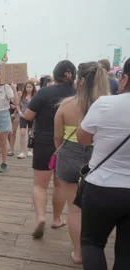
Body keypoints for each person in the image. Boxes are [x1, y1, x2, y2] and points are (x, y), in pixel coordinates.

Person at [76, 58, 130, 270]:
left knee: (92, 243)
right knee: (126, 252)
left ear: (124, 79)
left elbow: (83, 139)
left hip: (101, 186)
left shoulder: (105, 103)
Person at [54, 61, 110, 264]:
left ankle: (78, 253)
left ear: (78, 81)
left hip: (69, 155)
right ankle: (96, 249)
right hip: (100, 158)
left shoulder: (66, 105)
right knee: (96, 208)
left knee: (75, 208)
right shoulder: (108, 105)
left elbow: (57, 138)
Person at [22, 60, 76, 239]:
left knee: (40, 185)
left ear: (55, 75)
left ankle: (40, 218)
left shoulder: (45, 92)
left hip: (44, 142)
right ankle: (57, 219)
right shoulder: (79, 94)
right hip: (68, 144)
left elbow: (29, 115)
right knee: (59, 184)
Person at [16, 81, 36, 158]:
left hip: (32, 116)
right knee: (22, 132)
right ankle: (22, 151)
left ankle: (30, 150)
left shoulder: (35, 96)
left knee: (31, 133)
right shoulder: (22, 95)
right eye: (27, 87)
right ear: (25, 88)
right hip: (23, 116)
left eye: (30, 87)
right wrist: (20, 112)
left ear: (33, 88)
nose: (28, 89)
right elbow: (17, 104)